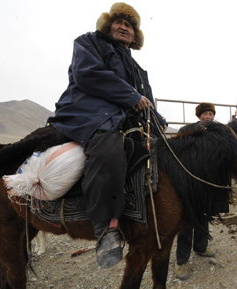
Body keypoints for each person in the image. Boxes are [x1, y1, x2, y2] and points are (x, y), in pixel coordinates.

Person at [47, 3, 168, 269]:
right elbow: (88, 75)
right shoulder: (89, 43)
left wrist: (160, 122)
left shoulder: (138, 69)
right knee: (109, 150)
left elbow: (146, 102)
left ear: (134, 36)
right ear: (108, 25)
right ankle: (106, 229)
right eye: (119, 22)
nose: (124, 26)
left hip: (125, 118)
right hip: (90, 111)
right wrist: (131, 96)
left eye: (130, 25)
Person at [175, 102, 217, 280]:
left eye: (211, 114)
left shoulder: (216, 131)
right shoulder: (186, 129)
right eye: (205, 114)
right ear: (199, 115)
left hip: (207, 181)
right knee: (186, 221)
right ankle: (181, 261)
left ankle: (201, 247)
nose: (208, 117)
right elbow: (177, 151)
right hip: (188, 181)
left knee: (203, 217)